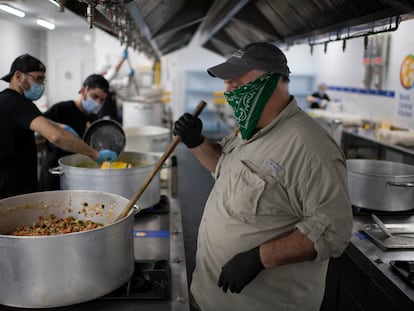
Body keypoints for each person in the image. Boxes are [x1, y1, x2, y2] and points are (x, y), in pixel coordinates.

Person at [173, 42, 353, 311]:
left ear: (271, 80)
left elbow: (333, 230)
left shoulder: (310, 148)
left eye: (236, 80)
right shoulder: (249, 131)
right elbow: (226, 170)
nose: (228, 89)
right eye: (227, 82)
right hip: (209, 295)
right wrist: (196, 141)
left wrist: (260, 257)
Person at [0, 54, 116, 199]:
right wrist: (95, 154)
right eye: (38, 79)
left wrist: (56, 125)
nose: (41, 85)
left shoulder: (9, 101)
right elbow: (56, 136)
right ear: (18, 76)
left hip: (15, 183)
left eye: (43, 80)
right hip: (10, 188)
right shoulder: (17, 103)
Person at [39, 74, 111, 191]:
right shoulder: (62, 109)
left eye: (102, 100)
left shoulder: (94, 118)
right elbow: (37, 122)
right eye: (95, 96)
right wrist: (58, 127)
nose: (98, 103)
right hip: (55, 171)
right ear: (83, 90)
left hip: (77, 173)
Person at [99, 48, 135, 122]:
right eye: (105, 72)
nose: (106, 73)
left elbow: (123, 83)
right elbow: (112, 73)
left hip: (112, 111)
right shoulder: (101, 82)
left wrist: (129, 76)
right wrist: (122, 59)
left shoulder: (109, 84)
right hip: (104, 113)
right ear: (102, 74)